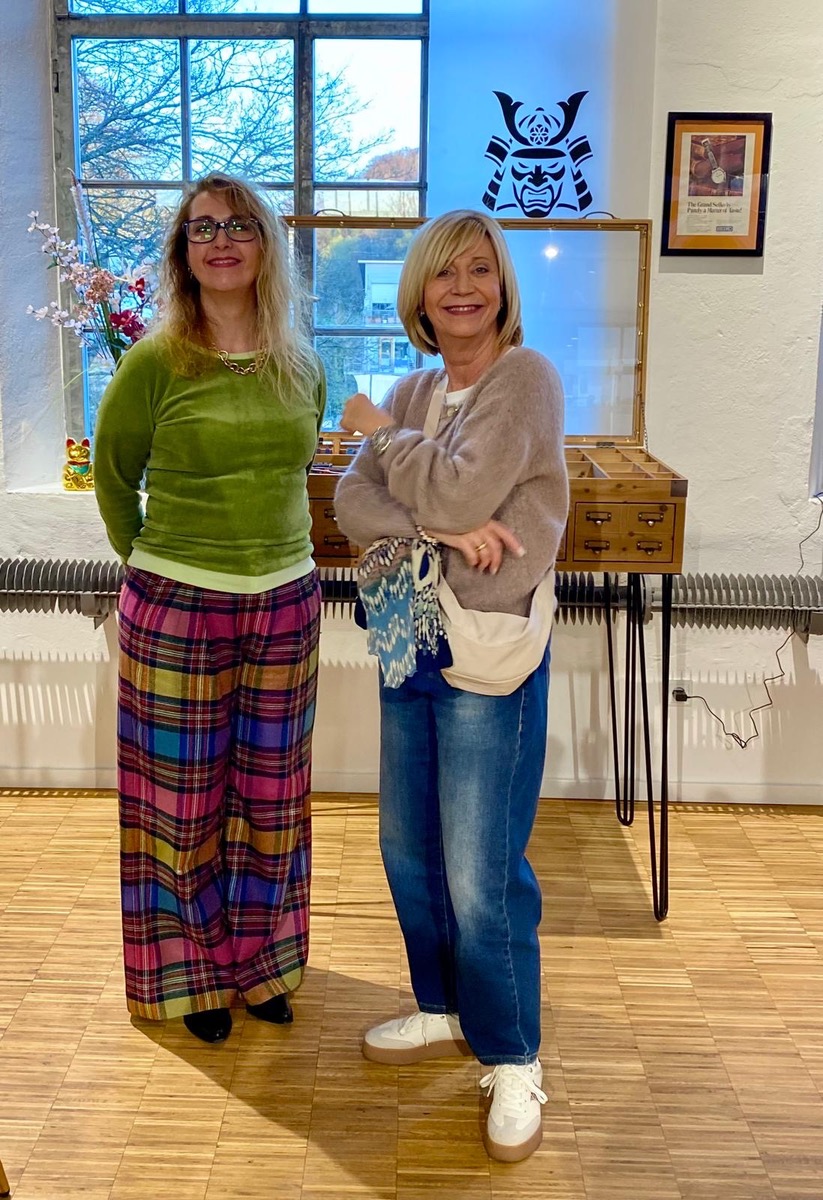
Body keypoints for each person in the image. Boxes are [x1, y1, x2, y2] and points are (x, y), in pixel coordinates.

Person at [333, 209, 568, 1162]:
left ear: (502, 286)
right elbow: (352, 504)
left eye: (479, 269)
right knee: (409, 848)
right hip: (409, 636)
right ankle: (440, 1007)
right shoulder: (418, 387)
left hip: (488, 648)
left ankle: (511, 1054)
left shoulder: (524, 378)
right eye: (443, 273)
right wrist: (437, 523)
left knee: (481, 869)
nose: (461, 287)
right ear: (419, 294)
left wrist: (383, 436)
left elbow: (465, 490)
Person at [94, 173, 326, 1044]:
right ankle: (189, 975)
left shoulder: (301, 364)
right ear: (182, 254)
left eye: (238, 226)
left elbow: (296, 472)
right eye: (202, 229)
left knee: (272, 800)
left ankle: (261, 966)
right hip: (177, 606)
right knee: (179, 804)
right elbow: (114, 479)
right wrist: (158, 570)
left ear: (266, 244)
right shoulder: (154, 363)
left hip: (286, 601)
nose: (221, 241)